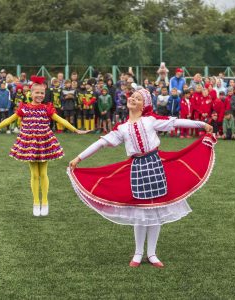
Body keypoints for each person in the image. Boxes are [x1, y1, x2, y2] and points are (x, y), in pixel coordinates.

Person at [68, 87, 214, 268]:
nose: (133, 99)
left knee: (156, 210)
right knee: (140, 212)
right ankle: (138, 253)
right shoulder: (121, 128)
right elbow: (101, 143)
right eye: (132, 97)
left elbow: (176, 122)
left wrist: (201, 125)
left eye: (138, 98)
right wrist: (79, 157)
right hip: (137, 168)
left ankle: (152, 253)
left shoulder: (151, 120)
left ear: (144, 105)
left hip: (155, 165)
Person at [0, 76, 88, 216]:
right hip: (30, 142)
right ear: (30, 93)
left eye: (42, 93)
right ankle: (36, 202)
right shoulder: (24, 108)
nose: (40, 95)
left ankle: (45, 202)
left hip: (44, 141)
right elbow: (10, 119)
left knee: (43, 173)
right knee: (34, 174)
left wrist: (75, 130)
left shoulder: (47, 108)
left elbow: (61, 120)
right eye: (37, 93)